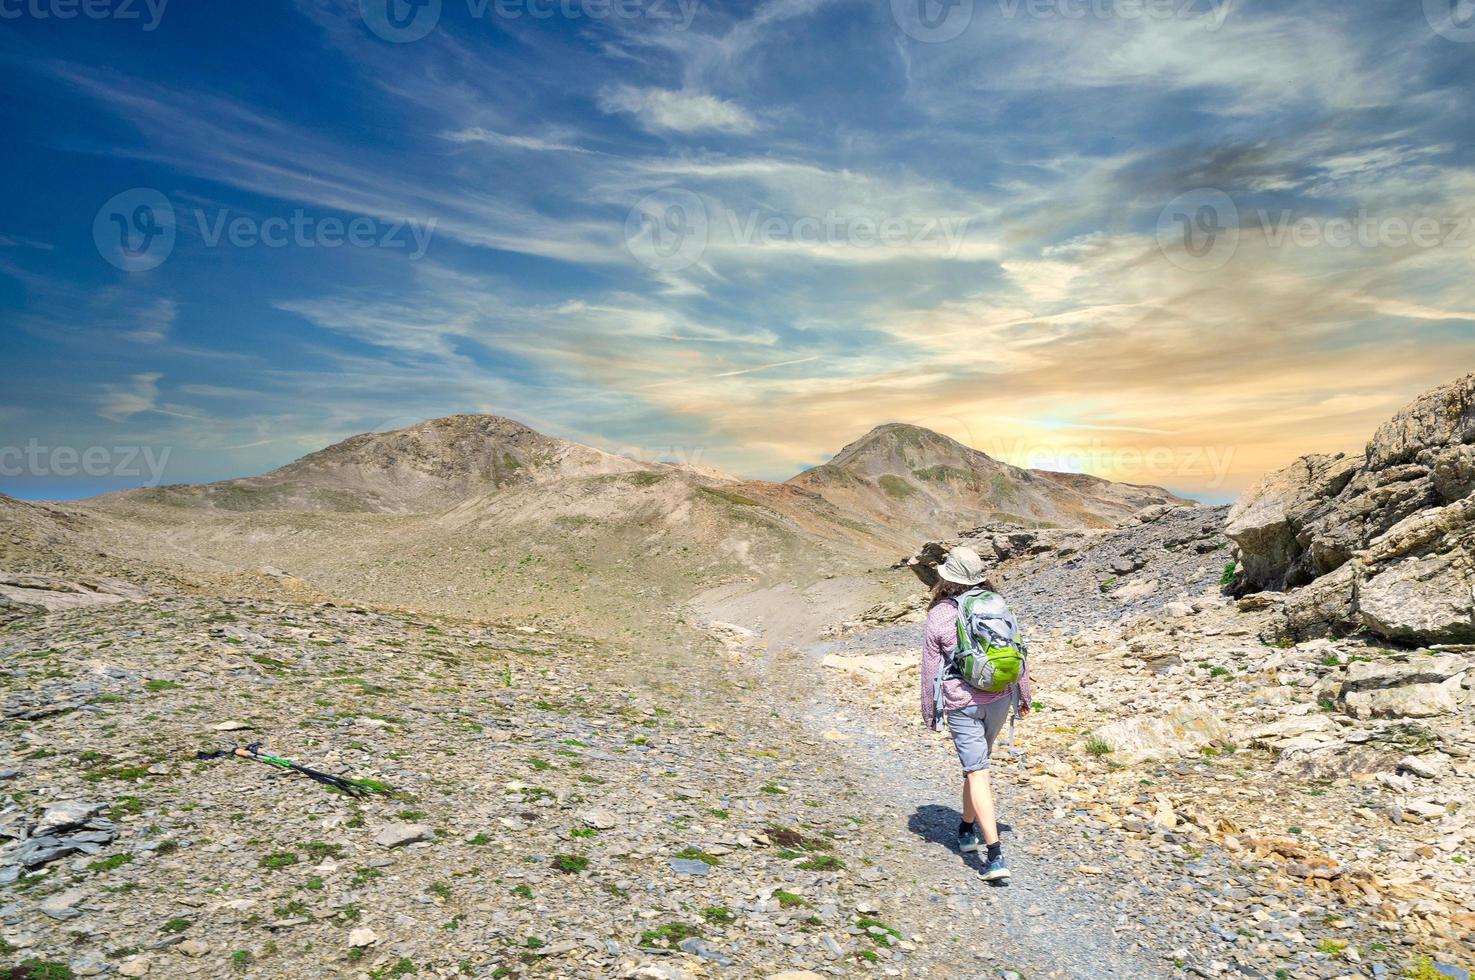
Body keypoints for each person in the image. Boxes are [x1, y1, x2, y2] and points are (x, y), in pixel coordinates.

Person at [919, 546, 1032, 882]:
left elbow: (929, 668)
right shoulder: (996, 605)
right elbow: (1018, 650)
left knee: (977, 771)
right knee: (977, 767)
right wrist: (1023, 694)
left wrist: (930, 711)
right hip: (999, 698)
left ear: (947, 577)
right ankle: (967, 830)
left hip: (961, 704)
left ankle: (994, 857)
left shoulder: (939, 614)